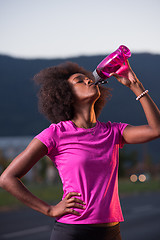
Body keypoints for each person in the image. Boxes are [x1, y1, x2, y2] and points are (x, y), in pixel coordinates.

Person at [0, 60, 160, 240]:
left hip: (111, 231)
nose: (89, 80)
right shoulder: (56, 133)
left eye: (88, 79)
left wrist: (136, 86)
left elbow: (156, 129)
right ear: (66, 95)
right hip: (72, 232)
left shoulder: (113, 131)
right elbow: (7, 178)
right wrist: (50, 209)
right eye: (79, 81)